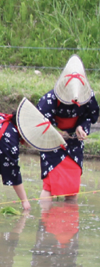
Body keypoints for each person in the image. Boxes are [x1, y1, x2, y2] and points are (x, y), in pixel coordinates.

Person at [37, 54, 99, 202]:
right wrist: (57, 132)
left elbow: (90, 117)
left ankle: (70, 222)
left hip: (74, 143)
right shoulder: (49, 99)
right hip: (52, 142)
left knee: (72, 186)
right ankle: (45, 221)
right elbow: (39, 122)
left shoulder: (88, 98)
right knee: (49, 185)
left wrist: (81, 127)